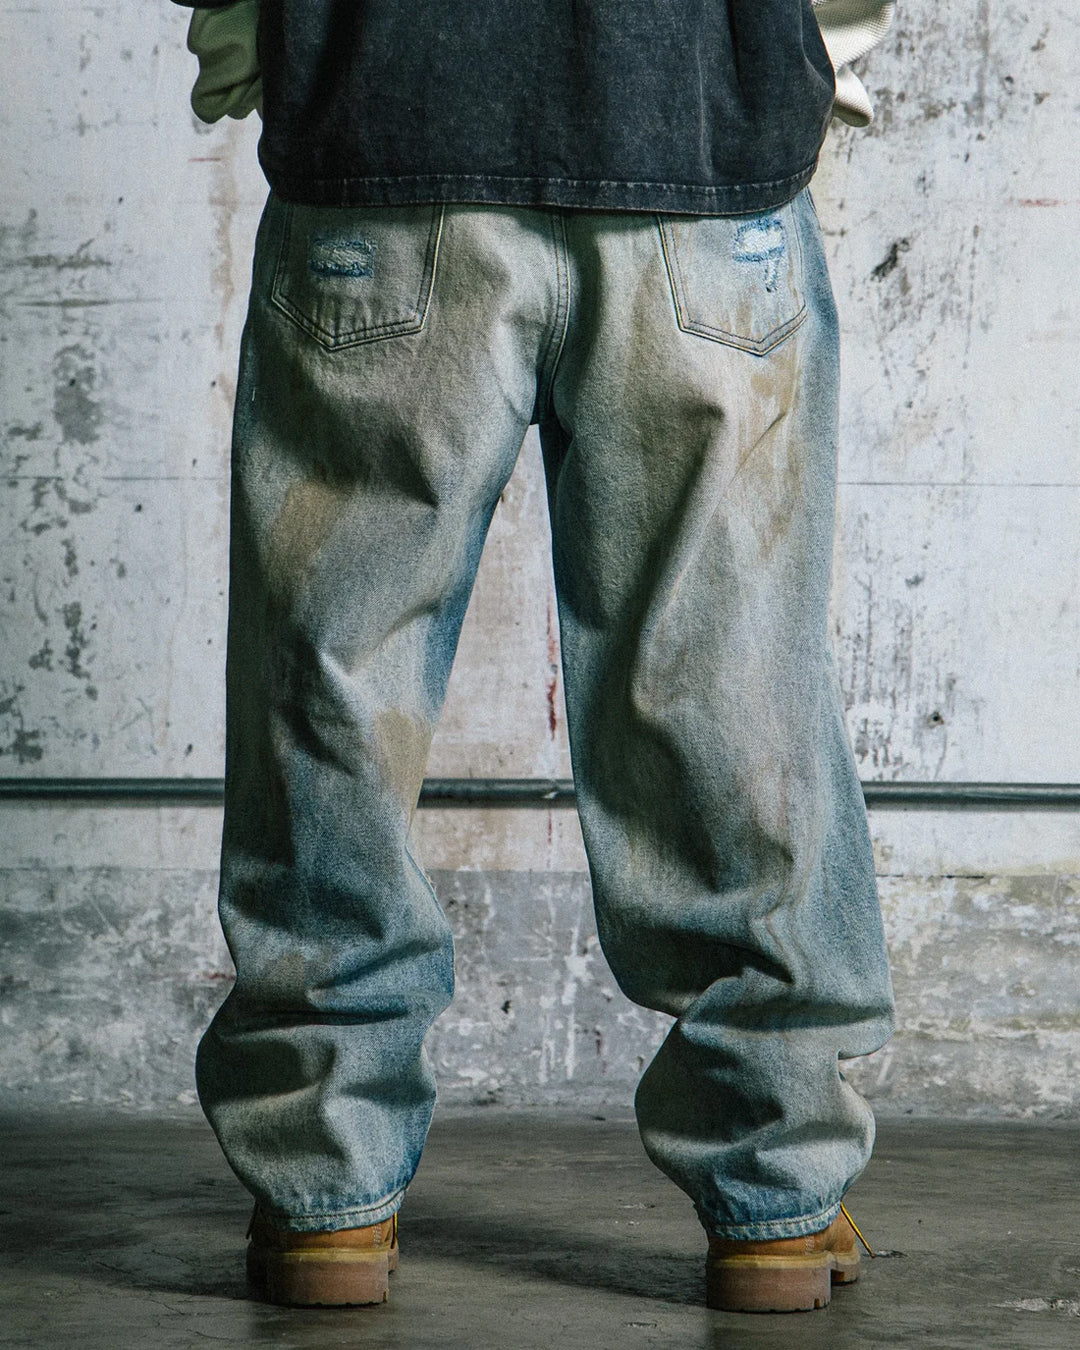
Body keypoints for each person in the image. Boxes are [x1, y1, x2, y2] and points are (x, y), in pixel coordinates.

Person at [176, 0, 897, 1314]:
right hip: (693, 133)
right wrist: (806, 50)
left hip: (386, 126)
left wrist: (257, 39)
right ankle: (775, 1183)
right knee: (728, 685)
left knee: (333, 679)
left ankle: (326, 1183)